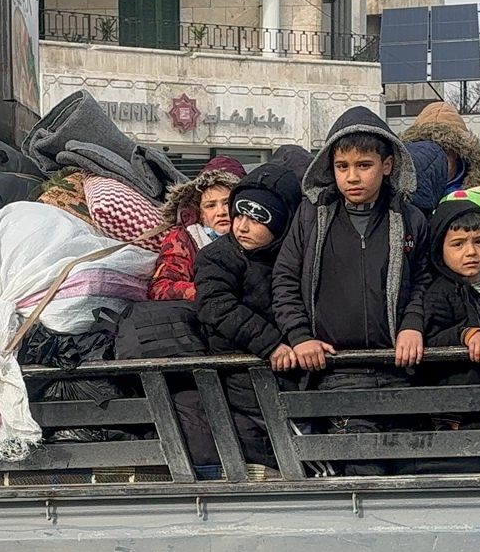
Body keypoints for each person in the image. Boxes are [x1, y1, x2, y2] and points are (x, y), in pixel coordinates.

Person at [273, 108, 430, 472]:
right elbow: (284, 280)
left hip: (399, 371)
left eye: (364, 165)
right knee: (361, 474)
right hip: (336, 373)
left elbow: (423, 280)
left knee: (408, 475)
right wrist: (299, 336)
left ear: (387, 165)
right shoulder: (310, 216)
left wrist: (412, 324)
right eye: (342, 166)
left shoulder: (411, 219)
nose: (352, 176)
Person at [192, 161, 305, 473]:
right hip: (240, 380)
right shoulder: (217, 256)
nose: (241, 226)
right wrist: (271, 345)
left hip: (292, 378)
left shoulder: (295, 257)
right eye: (239, 214)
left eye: (256, 219)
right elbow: (216, 305)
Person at [407, 201, 480, 387]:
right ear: (439, 248)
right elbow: (432, 338)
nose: (471, 252)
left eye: (479, 242)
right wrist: (466, 334)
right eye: (458, 244)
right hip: (456, 395)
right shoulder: (438, 293)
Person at [150, 156, 246, 301]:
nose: (220, 212)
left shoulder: (262, 234)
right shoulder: (184, 239)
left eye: (227, 203)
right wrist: (212, 291)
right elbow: (160, 288)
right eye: (210, 205)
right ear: (200, 213)